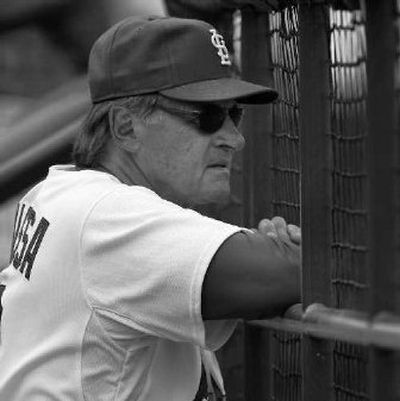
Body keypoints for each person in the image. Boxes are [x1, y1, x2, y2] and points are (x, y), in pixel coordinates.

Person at [0, 15, 301, 401]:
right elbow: (293, 274)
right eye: (207, 116)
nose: (234, 138)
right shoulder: (104, 213)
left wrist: (276, 253)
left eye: (234, 114)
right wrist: (285, 253)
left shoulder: (63, 193)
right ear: (126, 127)